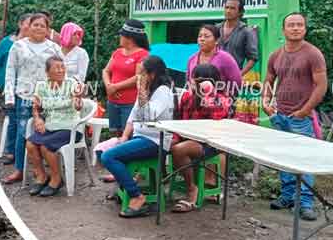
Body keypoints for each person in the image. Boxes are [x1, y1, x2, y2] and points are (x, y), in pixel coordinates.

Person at [263, 12, 328, 221]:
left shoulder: (313, 54)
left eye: (300, 25)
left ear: (305, 29)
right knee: (283, 158)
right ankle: (287, 196)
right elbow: (269, 79)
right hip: (280, 114)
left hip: (301, 117)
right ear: (284, 30)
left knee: (304, 159)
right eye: (291, 25)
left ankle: (306, 203)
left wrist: (305, 110)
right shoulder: (276, 55)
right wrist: (265, 102)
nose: (296, 28)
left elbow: (321, 85)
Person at [100, 55, 174, 218]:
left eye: (141, 73)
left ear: (152, 74)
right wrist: (124, 137)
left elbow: (149, 115)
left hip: (155, 141)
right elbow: (133, 116)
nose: (138, 77)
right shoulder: (148, 89)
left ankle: (136, 196)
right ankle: (123, 186)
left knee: (109, 157)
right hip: (139, 138)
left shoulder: (163, 91)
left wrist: (141, 91)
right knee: (103, 150)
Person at [3, 13, 63, 183]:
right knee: (23, 134)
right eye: (34, 25)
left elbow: (61, 72)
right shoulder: (18, 46)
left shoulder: (53, 48)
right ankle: (19, 170)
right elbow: (10, 71)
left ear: (47, 29)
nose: (38, 28)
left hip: (48, 99)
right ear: (28, 27)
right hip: (24, 96)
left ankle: (46, 172)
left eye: (42, 26)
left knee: (47, 134)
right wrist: (9, 96)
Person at [170, 64, 234, 213]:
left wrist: (206, 94)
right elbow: (179, 121)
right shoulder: (187, 97)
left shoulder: (221, 99)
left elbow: (216, 119)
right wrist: (175, 137)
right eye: (194, 80)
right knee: (163, 144)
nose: (196, 83)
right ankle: (153, 187)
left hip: (210, 144)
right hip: (188, 139)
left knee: (179, 150)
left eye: (201, 81)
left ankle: (192, 190)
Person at [24, 56, 85, 197]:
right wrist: (37, 119)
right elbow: (35, 107)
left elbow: (78, 106)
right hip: (50, 126)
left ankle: (56, 179)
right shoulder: (42, 86)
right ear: (47, 72)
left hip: (70, 128)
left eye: (62, 67)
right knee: (30, 144)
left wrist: (79, 98)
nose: (61, 70)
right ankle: (41, 176)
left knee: (46, 146)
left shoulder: (72, 84)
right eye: (56, 68)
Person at [0, 13, 32, 163]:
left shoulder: (32, 44)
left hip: (26, 89)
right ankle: (11, 151)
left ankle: (22, 154)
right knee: (13, 120)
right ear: (20, 24)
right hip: (10, 86)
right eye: (28, 23)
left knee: (23, 121)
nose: (30, 26)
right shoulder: (7, 43)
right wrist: (1, 82)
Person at [216, 0, 261, 124]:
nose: (228, 11)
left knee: (229, 113)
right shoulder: (216, 28)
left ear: (240, 12)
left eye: (232, 8)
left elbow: (253, 57)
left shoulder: (246, 31)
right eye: (226, 7)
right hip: (213, 78)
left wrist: (238, 74)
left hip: (232, 83)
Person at [101, 20, 150, 138]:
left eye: (121, 35)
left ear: (130, 38)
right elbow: (106, 70)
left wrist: (115, 87)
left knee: (127, 134)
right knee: (114, 134)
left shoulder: (143, 54)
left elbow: (138, 77)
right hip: (113, 101)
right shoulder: (117, 52)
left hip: (130, 103)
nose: (120, 37)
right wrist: (108, 85)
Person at [186, 24, 242, 94]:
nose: (202, 39)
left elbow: (237, 83)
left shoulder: (226, 59)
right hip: (195, 102)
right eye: (200, 36)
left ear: (216, 41)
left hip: (219, 102)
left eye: (206, 36)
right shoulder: (191, 59)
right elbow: (188, 83)